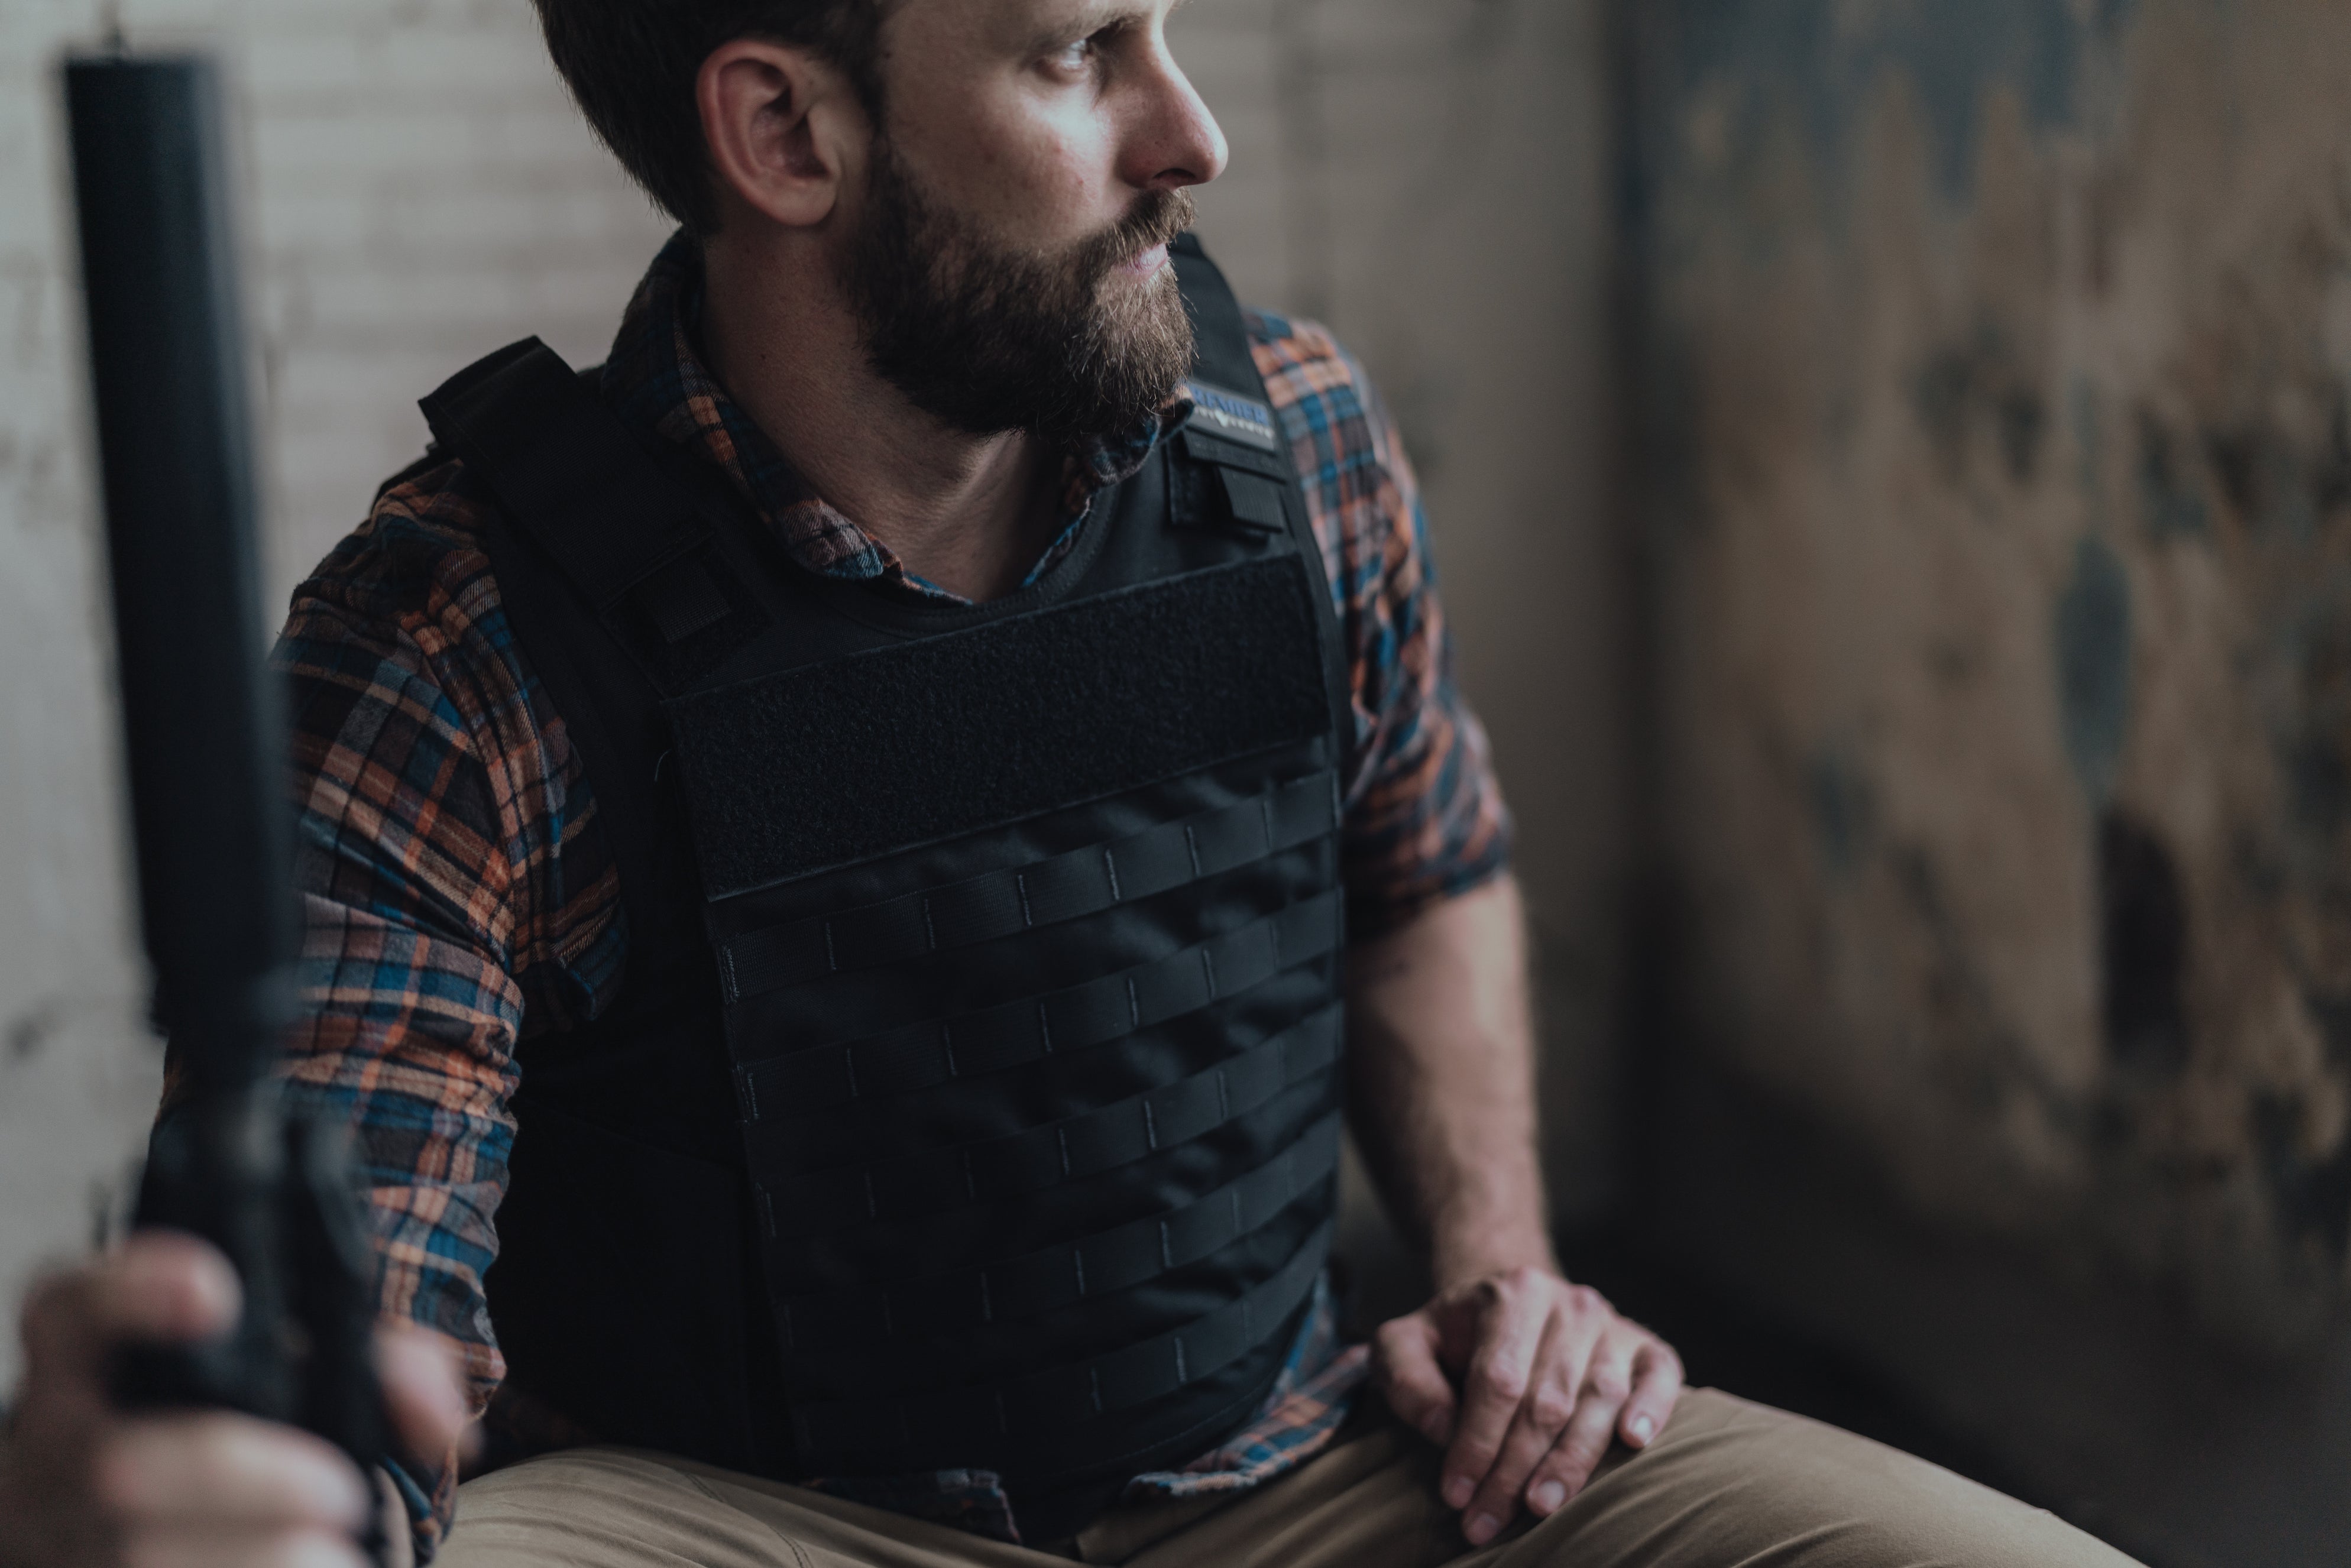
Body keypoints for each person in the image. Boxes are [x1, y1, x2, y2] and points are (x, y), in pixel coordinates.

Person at [1, 4, 2143, 1565]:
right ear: (783, 129)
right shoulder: (458, 648)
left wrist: (1500, 1270)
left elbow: (1427, 869)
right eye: (1075, 53)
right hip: (750, 1525)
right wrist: (249, 1492)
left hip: (1299, 1464)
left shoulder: (1294, 443)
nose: (1189, 131)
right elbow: (347, 1314)